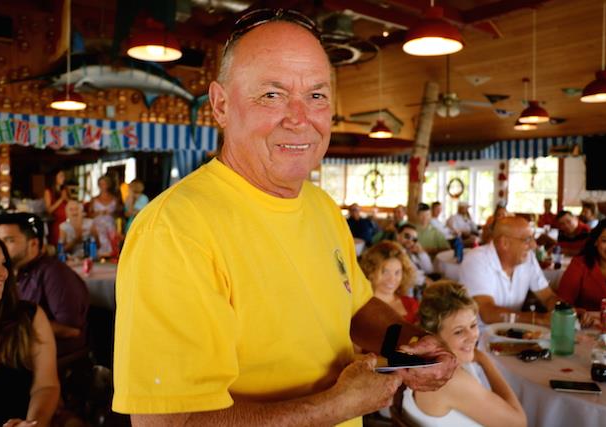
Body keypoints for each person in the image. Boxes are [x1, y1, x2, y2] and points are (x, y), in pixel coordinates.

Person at [113, 10, 456, 426]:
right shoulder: (174, 231)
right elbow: (168, 424)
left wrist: (410, 342)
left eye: (316, 95)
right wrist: (338, 406)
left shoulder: (321, 205)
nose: (300, 118)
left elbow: (355, 307)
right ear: (221, 105)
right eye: (272, 94)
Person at [401, 281, 526, 427]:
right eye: (458, 331)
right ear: (434, 336)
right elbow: (518, 423)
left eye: (473, 325)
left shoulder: (425, 359)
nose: (472, 336)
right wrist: (485, 362)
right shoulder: (450, 378)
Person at [0, 232, 60, 426]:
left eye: (4, 264)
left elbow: (45, 386)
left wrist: (34, 423)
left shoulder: (28, 318)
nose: (3, 273)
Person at [0, 213, 89, 358]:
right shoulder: (10, 272)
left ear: (33, 244)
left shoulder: (55, 273)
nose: (0, 247)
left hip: (53, 358)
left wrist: (14, 326)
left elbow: (71, 330)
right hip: (16, 350)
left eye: (9, 240)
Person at [459, 216, 558, 325]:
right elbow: (487, 313)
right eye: (527, 239)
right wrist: (538, 319)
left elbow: (548, 297)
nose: (533, 245)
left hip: (513, 331)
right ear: (504, 243)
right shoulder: (476, 259)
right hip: (479, 333)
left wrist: (564, 311)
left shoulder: (528, 258)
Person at [557, 218, 606, 310]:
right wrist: (577, 312)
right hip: (585, 319)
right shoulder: (579, 264)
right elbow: (563, 302)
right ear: (596, 242)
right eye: (605, 240)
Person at [360, 241, 419, 324]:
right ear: (370, 271)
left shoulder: (412, 304)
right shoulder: (359, 306)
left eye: (397, 272)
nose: (392, 279)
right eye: (385, 272)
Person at [88, 175, 121, 257]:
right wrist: (98, 213)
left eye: (104, 183)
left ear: (108, 185)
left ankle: (112, 254)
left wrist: (111, 213)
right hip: (98, 223)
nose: (103, 186)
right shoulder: (94, 199)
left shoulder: (115, 199)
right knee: (98, 232)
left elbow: (119, 213)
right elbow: (89, 214)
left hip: (111, 222)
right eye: (101, 184)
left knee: (112, 233)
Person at [397, 223, 434, 289]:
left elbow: (429, 270)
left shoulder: (412, 253)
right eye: (407, 236)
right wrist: (424, 280)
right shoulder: (395, 252)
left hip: (423, 282)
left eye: (414, 239)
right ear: (398, 236)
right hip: (411, 287)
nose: (410, 241)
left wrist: (421, 252)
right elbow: (405, 274)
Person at [43, 169, 69, 246]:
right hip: (57, 224)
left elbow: (70, 204)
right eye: (61, 176)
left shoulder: (65, 190)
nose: (63, 178)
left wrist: (66, 198)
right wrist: (61, 199)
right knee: (59, 246)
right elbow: (49, 210)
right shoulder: (48, 191)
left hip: (67, 223)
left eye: (63, 176)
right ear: (54, 177)